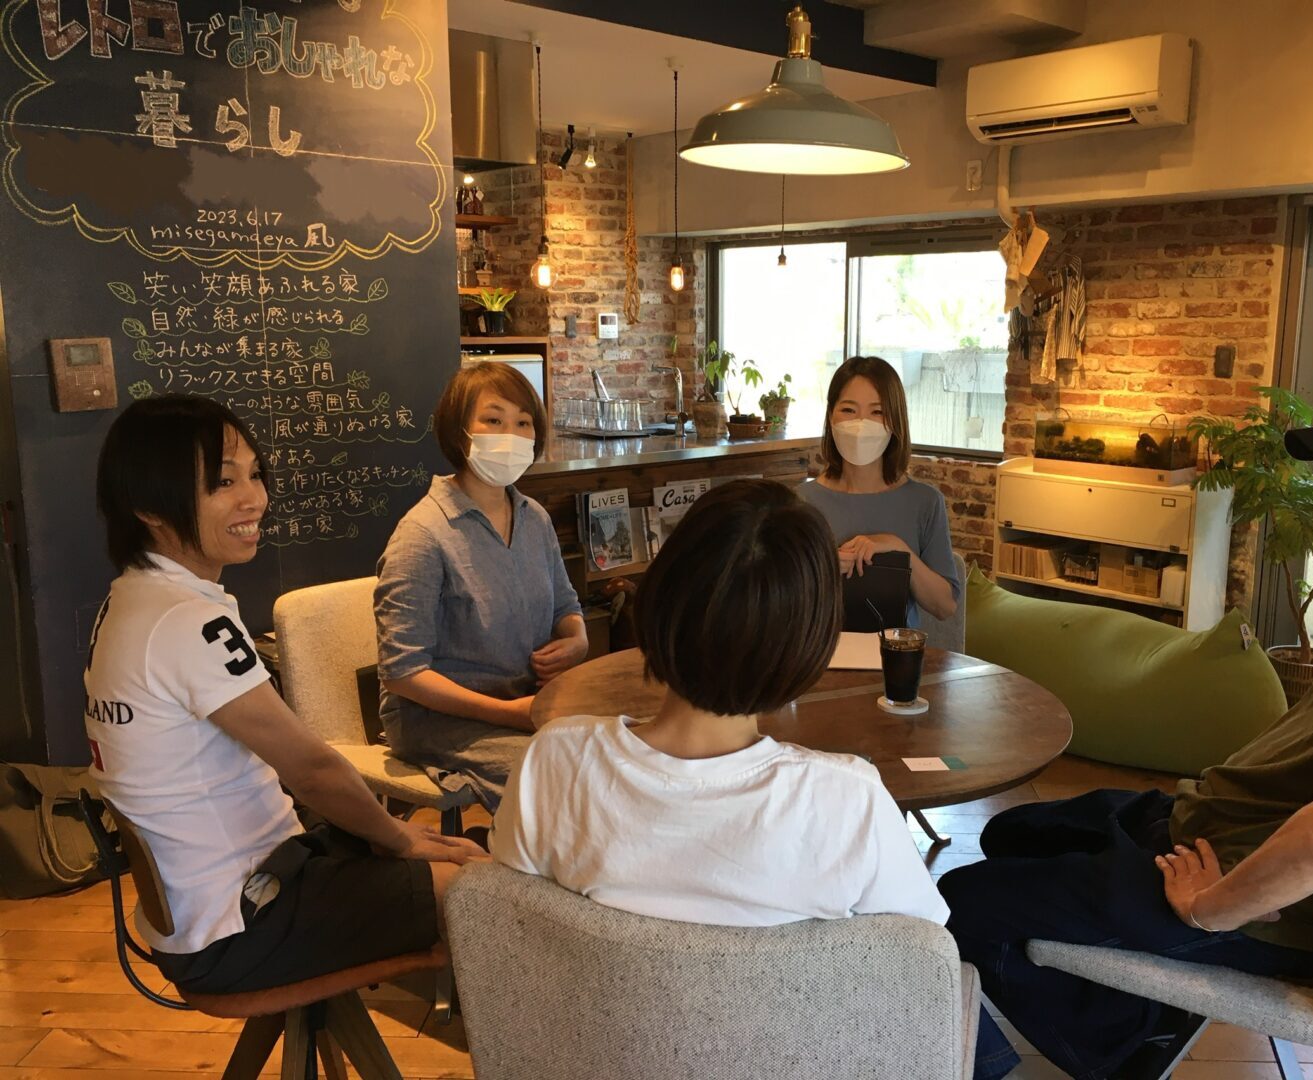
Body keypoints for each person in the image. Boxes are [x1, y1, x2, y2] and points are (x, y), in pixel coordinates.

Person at [489, 479, 1017, 1071]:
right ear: (810, 642)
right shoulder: (847, 798)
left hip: (606, 1055)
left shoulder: (553, 762)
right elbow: (920, 961)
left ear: (659, 596)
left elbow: (519, 924)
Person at [85, 396, 485, 995]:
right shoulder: (186, 621)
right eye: (223, 482)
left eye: (255, 474)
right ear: (148, 506)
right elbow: (312, 769)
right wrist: (399, 836)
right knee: (486, 891)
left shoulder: (130, 599)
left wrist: (388, 836)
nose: (254, 499)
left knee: (461, 853)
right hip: (239, 924)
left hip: (218, 899)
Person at [938, 693, 1313, 1080]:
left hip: (1241, 898)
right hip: (1192, 818)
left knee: (961, 906)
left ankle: (1127, 1053)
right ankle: (1133, 1011)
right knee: (1009, 833)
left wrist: (1209, 909)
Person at [375, 363, 587, 811]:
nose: (511, 435)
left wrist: (577, 640)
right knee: (564, 776)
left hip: (523, 701)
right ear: (459, 431)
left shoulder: (534, 518)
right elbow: (402, 673)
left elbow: (566, 608)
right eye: (493, 419)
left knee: (618, 753)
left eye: (523, 423)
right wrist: (511, 713)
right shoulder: (423, 534)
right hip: (437, 720)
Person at [797, 355, 959, 628]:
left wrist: (898, 549)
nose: (861, 423)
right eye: (849, 410)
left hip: (895, 653)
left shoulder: (925, 502)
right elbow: (779, 605)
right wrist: (823, 570)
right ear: (831, 416)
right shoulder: (802, 502)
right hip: (821, 652)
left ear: (895, 421)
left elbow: (945, 606)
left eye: (877, 412)